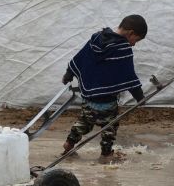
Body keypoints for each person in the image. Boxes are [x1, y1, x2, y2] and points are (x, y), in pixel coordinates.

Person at [61, 15, 147, 163]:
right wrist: (140, 97)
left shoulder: (96, 39)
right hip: (107, 100)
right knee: (109, 127)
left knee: (84, 122)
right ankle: (106, 155)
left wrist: (69, 73)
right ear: (131, 33)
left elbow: (81, 57)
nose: (134, 44)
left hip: (89, 96)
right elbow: (128, 75)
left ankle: (69, 144)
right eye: (136, 40)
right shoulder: (122, 48)